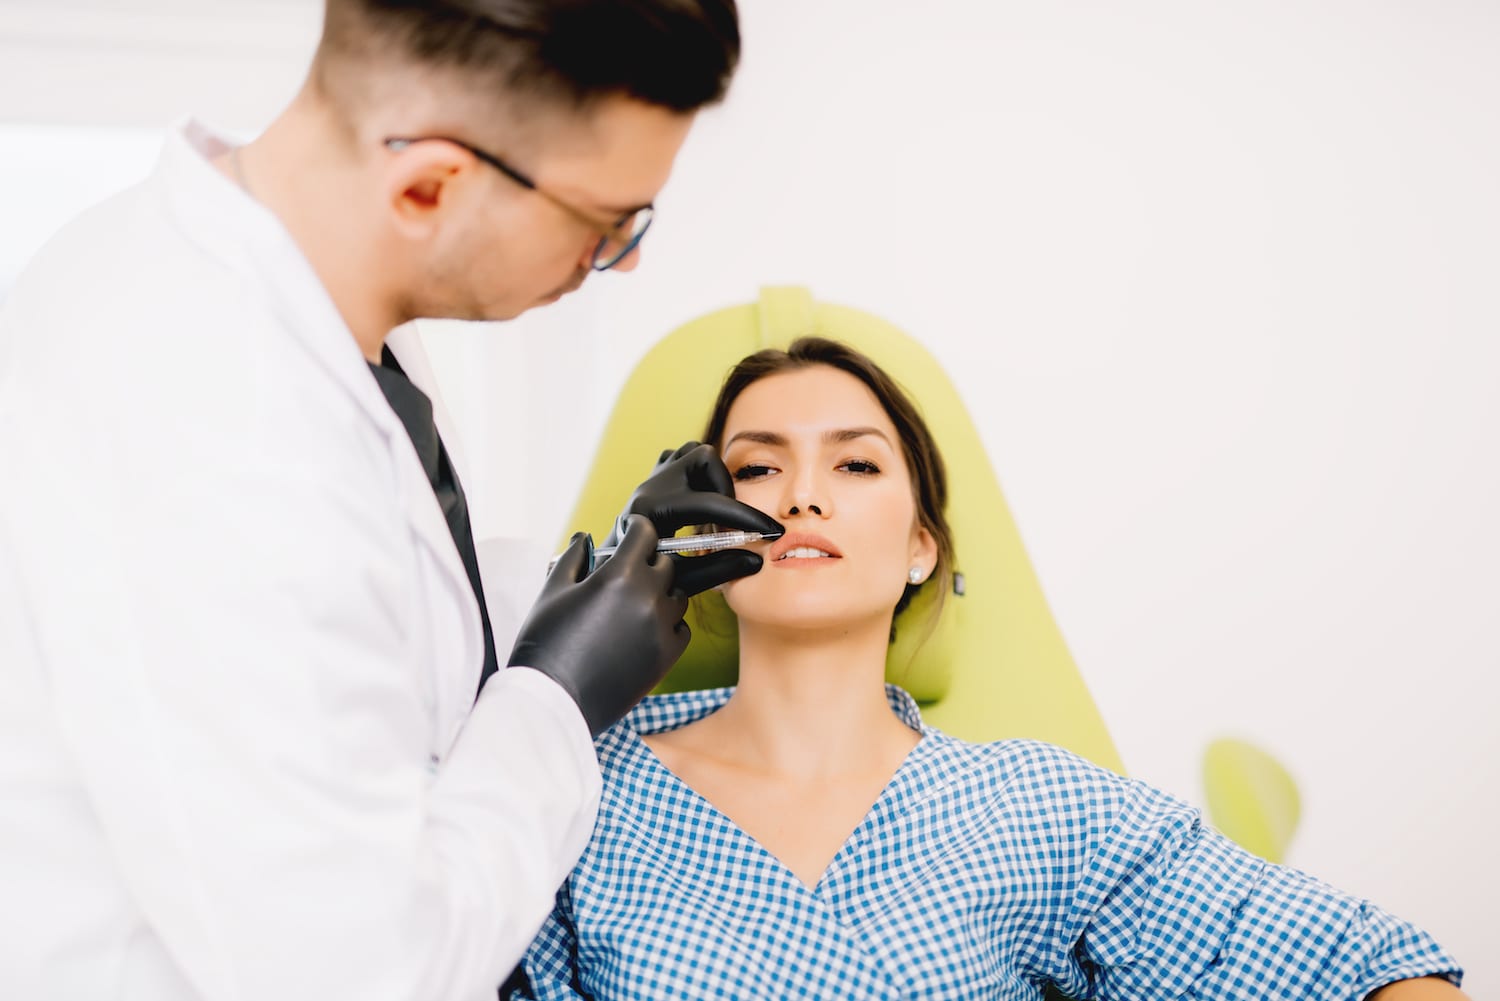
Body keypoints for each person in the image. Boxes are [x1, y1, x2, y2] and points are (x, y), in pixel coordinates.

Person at [0, 2, 782, 1000]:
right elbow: (360, 972)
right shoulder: (204, 423)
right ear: (428, 184)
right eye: (603, 225)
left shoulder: (308, 303)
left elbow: (374, 622)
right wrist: (556, 696)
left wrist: (571, 581)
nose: (622, 263)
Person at [513, 337, 1466, 1000]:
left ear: (922, 545)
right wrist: (544, 691)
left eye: (856, 468)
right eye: (757, 468)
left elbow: (1349, 963)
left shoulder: (1042, 806)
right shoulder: (572, 772)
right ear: (704, 533)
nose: (803, 495)